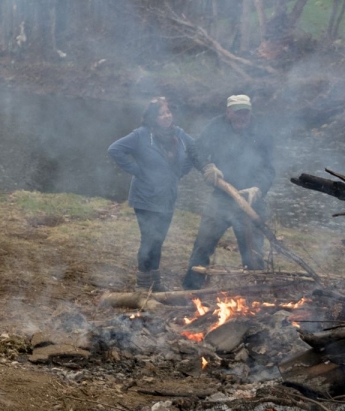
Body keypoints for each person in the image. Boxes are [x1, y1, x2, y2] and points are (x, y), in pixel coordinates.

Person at [180, 94, 275, 290]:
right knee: (203, 244)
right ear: (228, 112)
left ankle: (255, 293)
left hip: (249, 201)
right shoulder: (216, 126)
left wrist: (258, 189)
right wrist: (207, 166)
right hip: (221, 198)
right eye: (238, 112)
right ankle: (192, 288)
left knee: (253, 253)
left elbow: (268, 168)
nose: (242, 117)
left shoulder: (262, 131)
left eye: (245, 112)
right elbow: (195, 149)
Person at [107, 97, 195, 292]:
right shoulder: (141, 135)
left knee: (159, 240)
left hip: (167, 197)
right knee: (149, 240)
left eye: (168, 112)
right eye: (161, 113)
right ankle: (143, 285)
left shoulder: (178, 135)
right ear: (152, 117)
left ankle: (155, 284)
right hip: (145, 197)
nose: (166, 116)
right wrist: (138, 171)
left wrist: (181, 171)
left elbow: (196, 150)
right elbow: (115, 149)